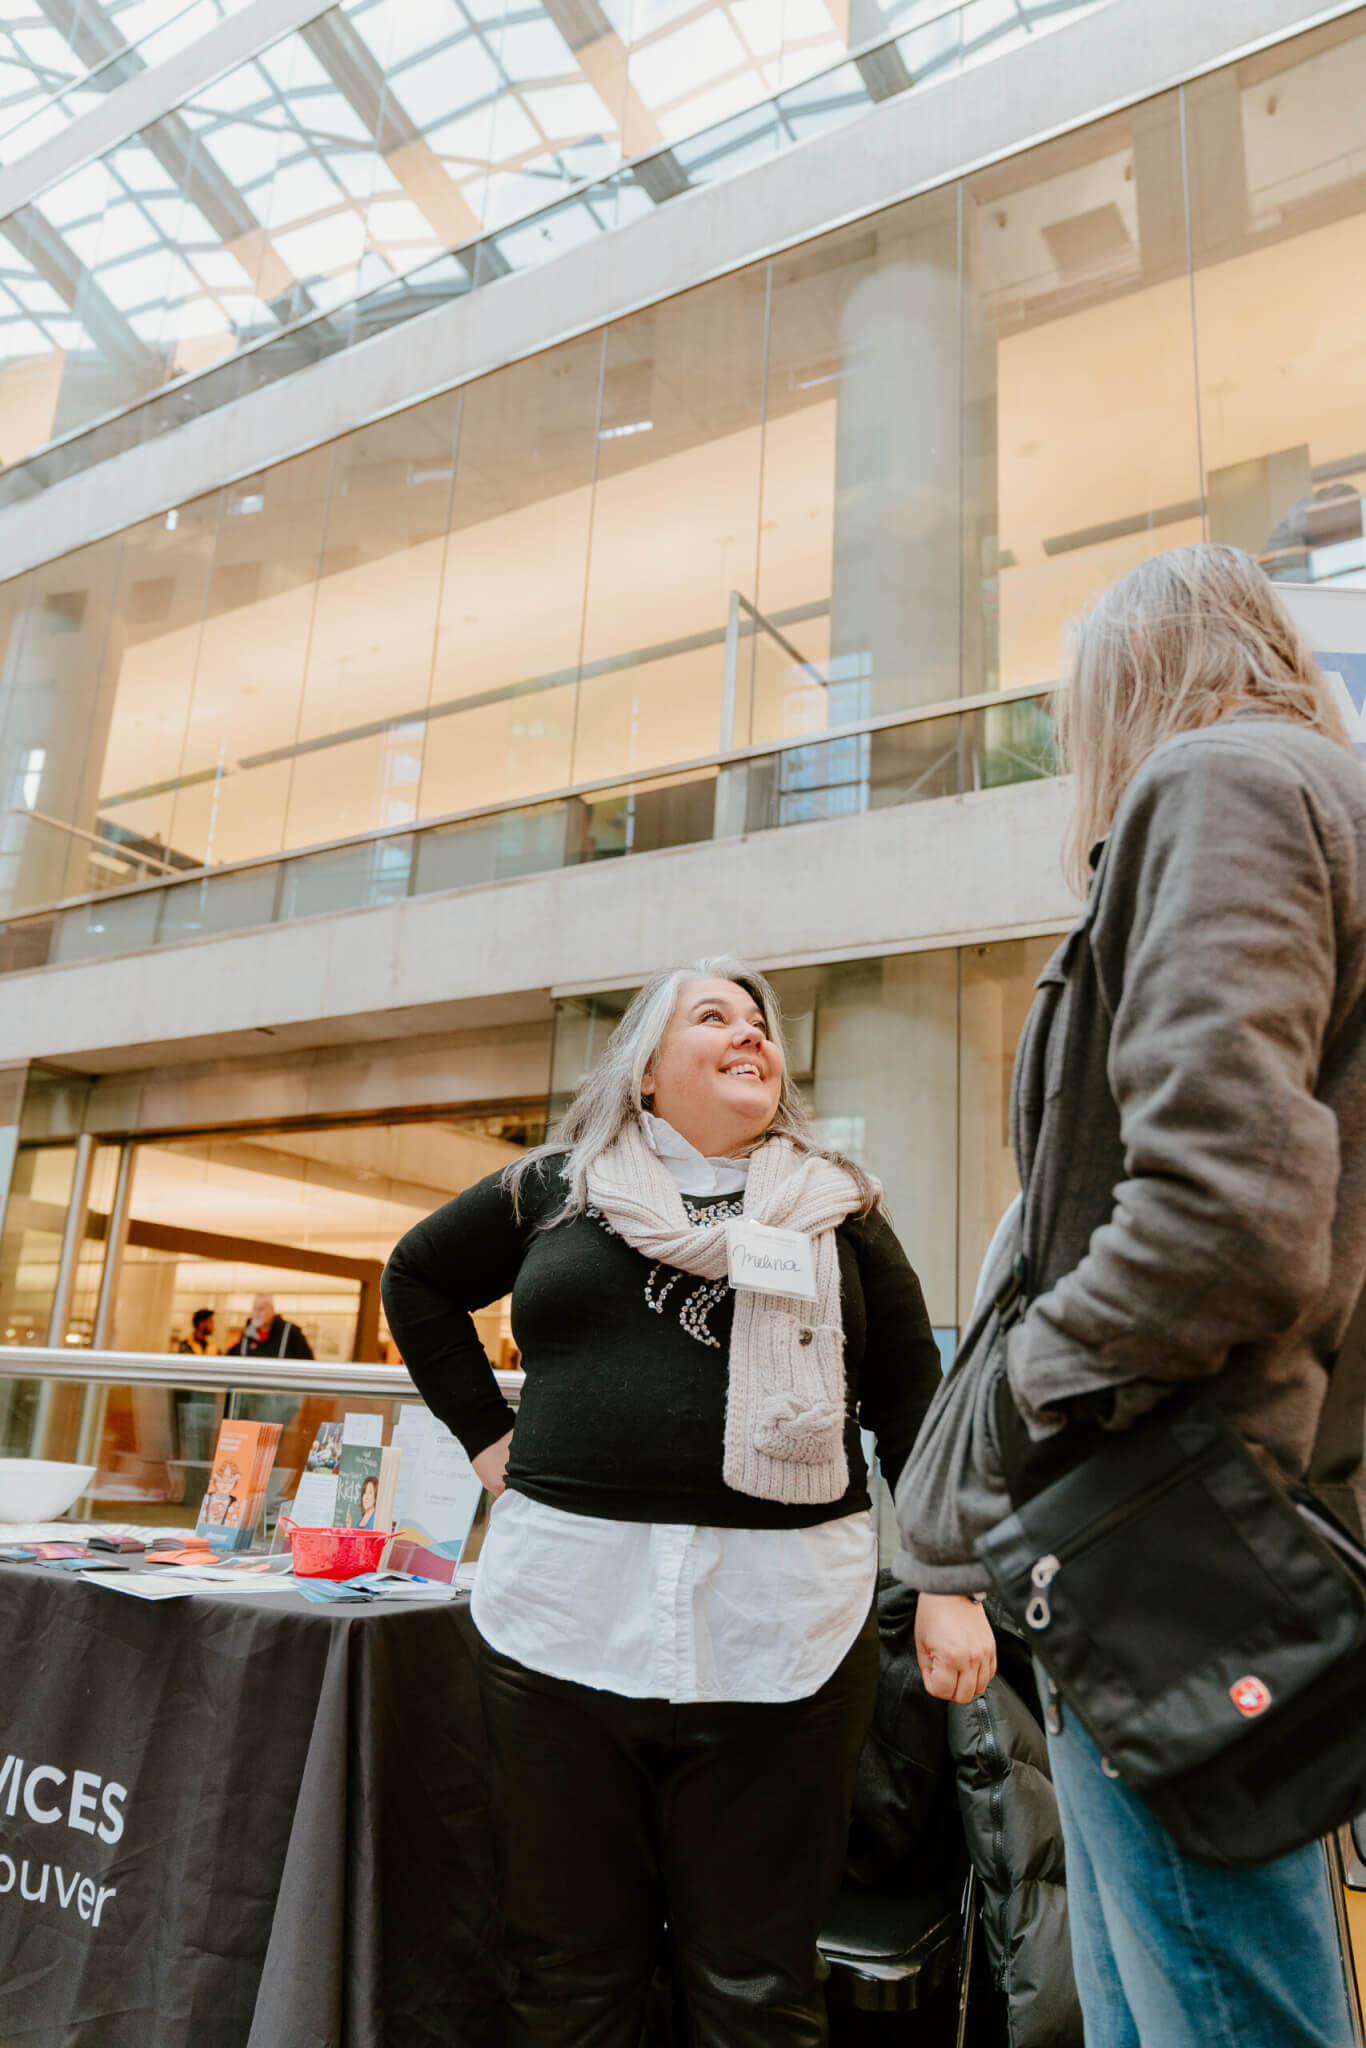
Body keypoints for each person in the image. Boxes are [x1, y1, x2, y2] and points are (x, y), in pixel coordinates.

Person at [894, 545, 1366, 2048]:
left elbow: (1222, 1212)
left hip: (1167, 1512)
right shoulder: (1311, 797)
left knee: (1204, 2007)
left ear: (1129, 683)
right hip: (1227, 1500)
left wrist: (1030, 1412)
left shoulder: (1221, 783)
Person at [382, 957, 996, 2047]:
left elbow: (915, 1399)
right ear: (646, 1071)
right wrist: (486, 1437)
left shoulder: (839, 1209)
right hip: (561, 1625)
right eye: (713, 1015)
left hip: (785, 1635)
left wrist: (950, 1581)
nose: (751, 1032)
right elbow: (416, 1279)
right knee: (562, 1974)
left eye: (760, 1022)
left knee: (758, 1987)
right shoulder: (556, 1186)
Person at [220, 1293, 313, 1361]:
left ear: (272, 1311)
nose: (256, 1313)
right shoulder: (247, 1335)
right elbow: (230, 1359)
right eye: (254, 1309)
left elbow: (307, 1362)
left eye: (261, 1309)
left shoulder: (290, 1332)